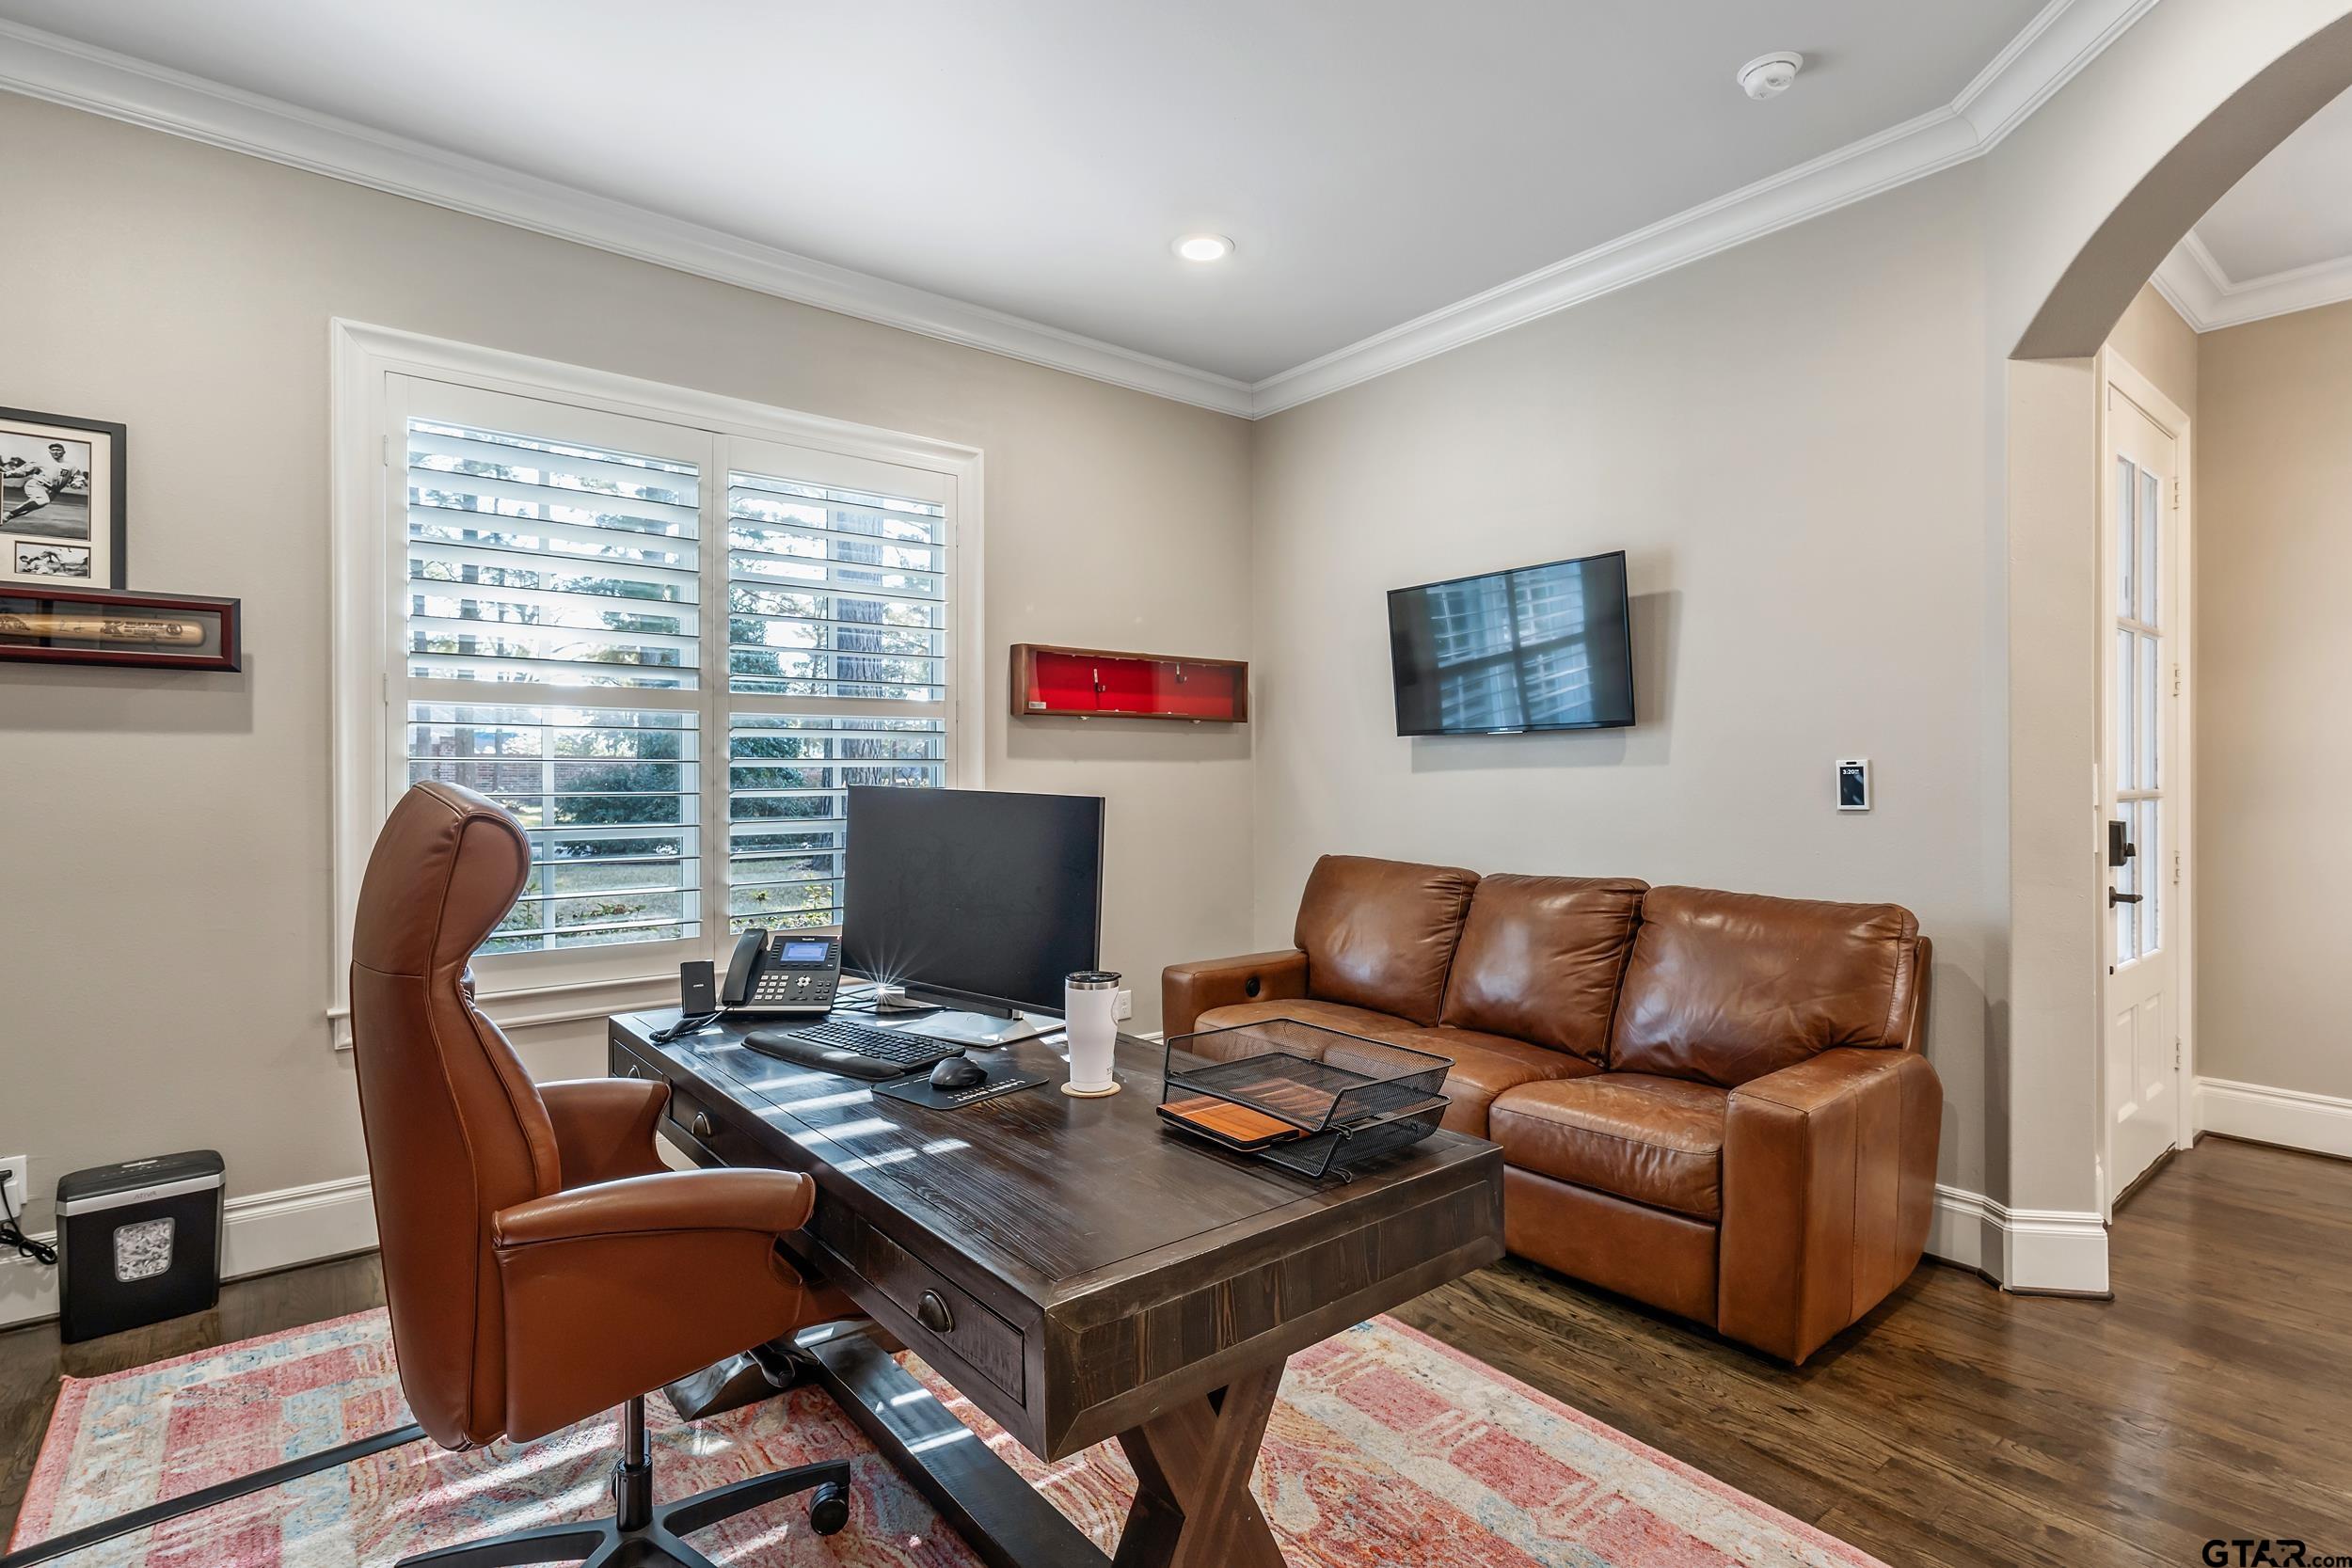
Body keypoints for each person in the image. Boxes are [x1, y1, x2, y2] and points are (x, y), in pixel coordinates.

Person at [4, 443, 83, 523]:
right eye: (53, 450)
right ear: (50, 451)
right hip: (37, 485)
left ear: (64, 452)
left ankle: (5, 517)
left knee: (28, 508)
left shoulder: (71, 466)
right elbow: (22, 472)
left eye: (58, 450)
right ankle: (9, 514)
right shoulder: (41, 461)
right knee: (42, 500)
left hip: (53, 492)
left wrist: (77, 484)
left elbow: (78, 478)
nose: (55, 452)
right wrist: (4, 475)